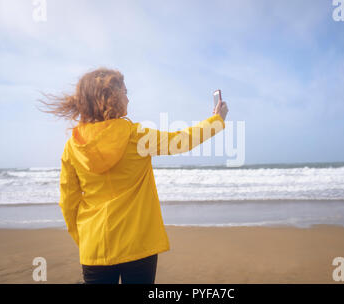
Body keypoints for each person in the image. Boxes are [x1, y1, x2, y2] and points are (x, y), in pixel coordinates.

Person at [41, 67, 228, 284]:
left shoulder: (73, 146)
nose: (128, 99)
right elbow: (182, 140)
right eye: (124, 92)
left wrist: (84, 239)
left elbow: (68, 202)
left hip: (95, 244)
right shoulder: (136, 136)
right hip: (138, 244)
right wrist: (217, 120)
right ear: (110, 99)